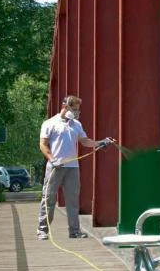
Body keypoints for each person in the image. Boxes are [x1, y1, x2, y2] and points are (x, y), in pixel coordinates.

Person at [37, 95, 113, 240]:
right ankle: (42, 230)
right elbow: (43, 144)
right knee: (48, 198)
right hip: (55, 167)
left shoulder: (76, 124)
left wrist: (100, 142)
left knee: (72, 200)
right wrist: (52, 160)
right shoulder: (49, 123)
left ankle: (75, 231)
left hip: (72, 167)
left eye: (78, 110)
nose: (77, 112)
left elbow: (85, 141)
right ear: (65, 107)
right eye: (75, 109)